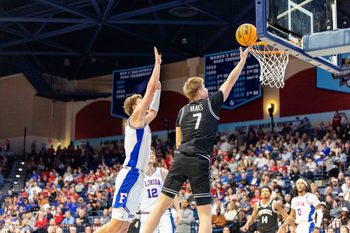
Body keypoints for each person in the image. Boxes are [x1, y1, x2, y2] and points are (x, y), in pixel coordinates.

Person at [142, 46, 250, 233]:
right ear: (199, 92)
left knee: (159, 207)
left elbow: (177, 142)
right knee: (205, 215)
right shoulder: (211, 103)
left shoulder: (181, 112)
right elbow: (230, 82)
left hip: (181, 158)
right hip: (199, 160)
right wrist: (241, 61)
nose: (207, 90)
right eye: (205, 87)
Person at [94, 47, 162, 233]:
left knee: (124, 227)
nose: (144, 104)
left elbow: (154, 110)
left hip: (138, 176)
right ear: (134, 106)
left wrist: (159, 89)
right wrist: (157, 66)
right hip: (130, 174)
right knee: (116, 225)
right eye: (140, 102)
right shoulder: (135, 119)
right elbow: (149, 88)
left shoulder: (144, 121)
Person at [139, 150, 179, 233]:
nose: (152, 155)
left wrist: (178, 211)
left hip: (163, 215)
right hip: (146, 215)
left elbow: (173, 192)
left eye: (153, 153)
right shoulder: (139, 176)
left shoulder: (162, 172)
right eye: (149, 153)